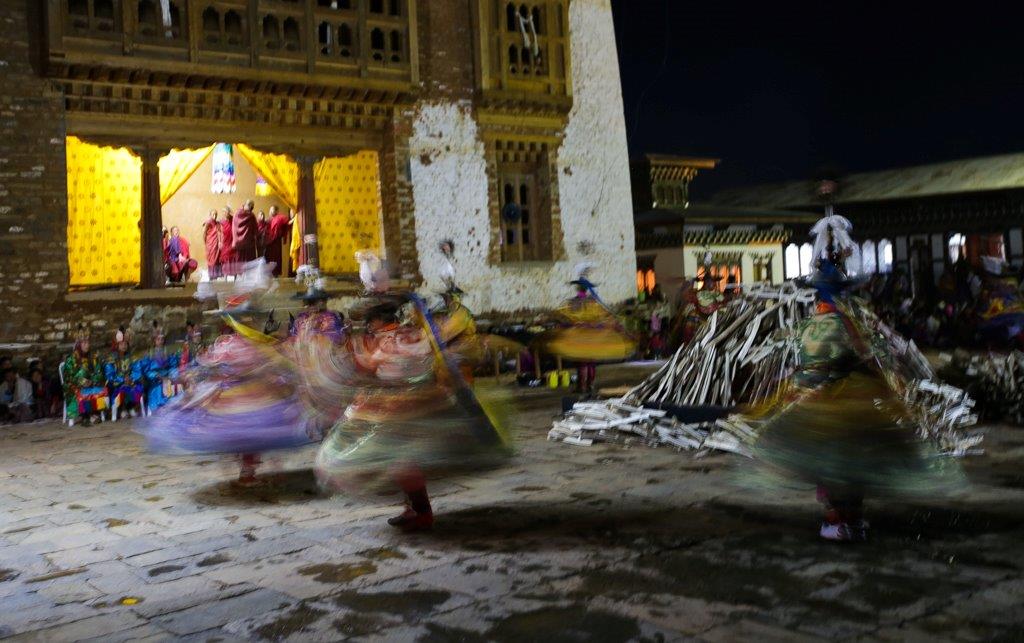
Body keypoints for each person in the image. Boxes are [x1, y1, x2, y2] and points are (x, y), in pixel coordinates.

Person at [748, 214, 965, 542]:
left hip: (814, 400)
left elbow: (803, 363)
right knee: (852, 464)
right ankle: (847, 519)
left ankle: (837, 520)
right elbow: (864, 355)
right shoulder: (845, 324)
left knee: (828, 465)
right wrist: (885, 385)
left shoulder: (807, 327)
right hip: (844, 399)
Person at [62, 327, 109, 426]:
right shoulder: (71, 360)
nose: (86, 345)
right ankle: (87, 415)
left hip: (91, 385)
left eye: (88, 343)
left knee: (102, 390)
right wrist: (81, 381)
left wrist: (91, 381)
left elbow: (99, 373)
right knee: (81, 392)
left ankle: (92, 413)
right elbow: (68, 376)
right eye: (83, 343)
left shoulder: (93, 358)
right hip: (76, 386)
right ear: (78, 344)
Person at [105, 327, 144, 419]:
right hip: (117, 383)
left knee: (138, 388)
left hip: (130, 381)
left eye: (126, 343)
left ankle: (131, 407)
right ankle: (122, 409)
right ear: (117, 345)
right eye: (121, 344)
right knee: (122, 389)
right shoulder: (111, 358)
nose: (124, 346)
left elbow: (137, 370)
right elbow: (110, 375)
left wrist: (131, 378)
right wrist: (122, 380)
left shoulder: (132, 357)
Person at [263, 206, 293, 277]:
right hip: (268, 243)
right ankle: (268, 274)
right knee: (268, 258)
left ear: (276, 211)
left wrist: (294, 218)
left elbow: (288, 223)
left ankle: (275, 275)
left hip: (276, 242)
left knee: (276, 259)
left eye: (272, 210)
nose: (271, 212)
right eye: (270, 210)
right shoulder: (268, 220)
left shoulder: (280, 218)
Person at [232, 200, 260, 266]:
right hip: (248, 244)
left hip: (239, 243)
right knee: (247, 262)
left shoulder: (236, 213)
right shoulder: (251, 215)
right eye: (252, 207)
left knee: (241, 261)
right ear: (248, 205)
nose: (252, 209)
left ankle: (241, 274)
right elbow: (256, 229)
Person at [203, 209, 223, 279]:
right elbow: (204, 233)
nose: (214, 216)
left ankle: (216, 275)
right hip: (210, 243)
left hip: (216, 244)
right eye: (213, 214)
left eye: (216, 214)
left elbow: (220, 232)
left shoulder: (217, 223)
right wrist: (206, 242)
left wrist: (220, 241)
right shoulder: (208, 222)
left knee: (217, 258)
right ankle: (211, 275)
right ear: (210, 215)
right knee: (211, 259)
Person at [219, 206, 236, 277]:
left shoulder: (234, 219)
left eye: (226, 212)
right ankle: (225, 276)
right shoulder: (221, 221)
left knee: (233, 258)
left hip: (232, 242)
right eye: (224, 212)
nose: (225, 213)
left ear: (229, 212)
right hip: (225, 242)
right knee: (225, 258)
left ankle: (234, 276)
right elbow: (219, 232)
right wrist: (220, 242)